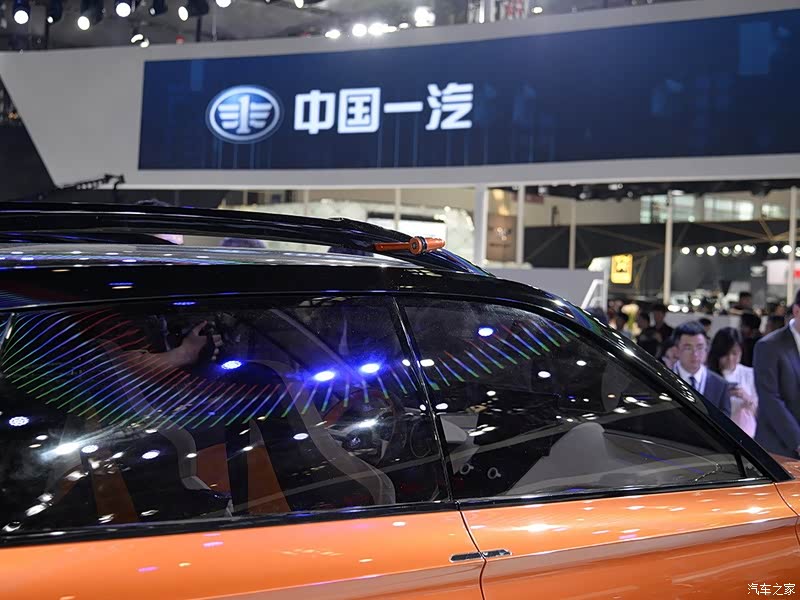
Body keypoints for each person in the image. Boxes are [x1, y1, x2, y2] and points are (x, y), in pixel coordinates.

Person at [753, 289, 800, 458]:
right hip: (779, 447)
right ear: (797, 311)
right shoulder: (769, 346)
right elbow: (769, 398)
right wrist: (797, 441)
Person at [672, 321, 731, 417]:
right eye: (688, 348)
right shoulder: (663, 378)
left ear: (707, 349)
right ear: (676, 350)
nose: (695, 354)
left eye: (700, 348)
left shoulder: (720, 385)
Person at [707, 328, 758, 438]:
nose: (730, 359)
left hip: (744, 435)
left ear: (741, 351)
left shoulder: (750, 374)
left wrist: (747, 398)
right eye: (725, 354)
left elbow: (762, 414)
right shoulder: (708, 375)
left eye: (735, 353)